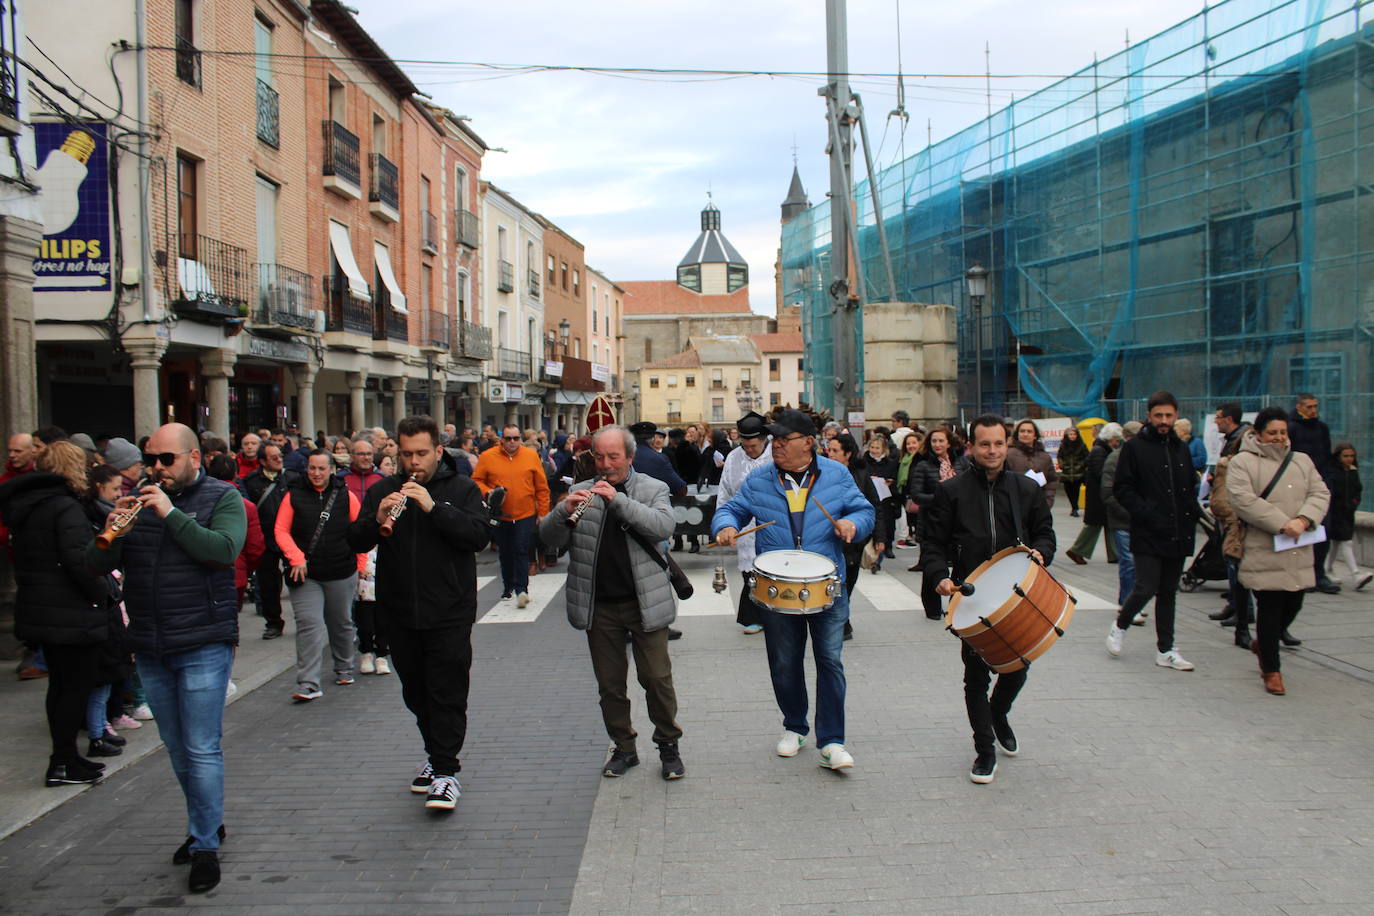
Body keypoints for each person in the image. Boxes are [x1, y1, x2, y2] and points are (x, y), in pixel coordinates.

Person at [85, 423, 246, 894]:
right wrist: (111, 528)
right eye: (150, 459)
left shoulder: (222, 497)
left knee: (201, 747)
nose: (155, 468)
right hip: (152, 644)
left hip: (203, 641)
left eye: (166, 460)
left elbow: (222, 551)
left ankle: (204, 847)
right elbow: (93, 566)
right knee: (177, 750)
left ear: (194, 458)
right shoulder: (137, 502)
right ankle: (205, 825)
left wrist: (172, 513)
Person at [713, 409, 874, 771]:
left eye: (785, 441)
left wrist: (853, 524)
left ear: (808, 443)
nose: (777, 447)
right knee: (784, 662)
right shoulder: (760, 479)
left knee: (830, 661)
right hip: (778, 586)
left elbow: (865, 511)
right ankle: (795, 726)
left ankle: (832, 740)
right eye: (776, 441)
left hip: (827, 584)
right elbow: (732, 509)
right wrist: (724, 525)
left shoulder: (836, 474)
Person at [347, 415, 491, 810]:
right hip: (399, 612)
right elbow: (353, 539)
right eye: (406, 454)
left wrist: (433, 508)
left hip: (448, 611)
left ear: (438, 451)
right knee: (416, 693)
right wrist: (376, 521)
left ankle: (446, 772)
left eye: (422, 454)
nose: (414, 462)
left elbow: (478, 536)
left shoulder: (462, 489)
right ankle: (435, 756)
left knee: (446, 692)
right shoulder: (383, 491)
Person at [538, 425, 686, 781]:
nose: (605, 464)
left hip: (644, 601)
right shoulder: (578, 490)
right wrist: (562, 512)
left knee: (656, 679)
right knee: (610, 685)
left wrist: (617, 500)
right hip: (599, 605)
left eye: (613, 457)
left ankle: (668, 744)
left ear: (630, 457)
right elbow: (547, 541)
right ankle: (624, 747)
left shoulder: (653, 488)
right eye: (599, 457)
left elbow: (663, 527)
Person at [919, 415, 1056, 785]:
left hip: (1019, 594)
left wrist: (1043, 552)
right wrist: (939, 577)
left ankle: (998, 714)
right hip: (973, 595)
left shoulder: (1025, 490)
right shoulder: (952, 491)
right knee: (976, 677)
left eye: (998, 444)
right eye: (984, 444)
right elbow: (931, 543)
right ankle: (984, 749)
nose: (992, 451)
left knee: (1019, 666)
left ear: (1007, 443)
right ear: (972, 447)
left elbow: (1046, 533)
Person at [0, 441, 120, 787]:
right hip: (69, 611)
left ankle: (65, 757)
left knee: (62, 687)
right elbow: (80, 562)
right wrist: (105, 594)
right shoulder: (63, 507)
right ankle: (63, 761)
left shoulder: (31, 505)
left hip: (45, 608)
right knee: (73, 688)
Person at [1225, 408, 1330, 695]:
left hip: (1298, 547)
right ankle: (1272, 670)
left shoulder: (1301, 461)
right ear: (1258, 434)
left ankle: (1265, 643)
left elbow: (1320, 493)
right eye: (1273, 432)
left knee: (1294, 602)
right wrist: (1283, 524)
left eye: (1283, 432)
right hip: (1264, 546)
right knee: (1269, 608)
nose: (1279, 438)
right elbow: (1243, 501)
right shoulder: (1242, 463)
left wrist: (1304, 519)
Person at [1106, 392, 1200, 671]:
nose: (1163, 421)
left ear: (1175, 416)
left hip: (1178, 530)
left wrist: (1195, 515)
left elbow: (1187, 488)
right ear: (1149, 416)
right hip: (1148, 530)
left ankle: (1166, 650)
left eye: (1169, 415)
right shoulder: (1135, 448)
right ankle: (1120, 625)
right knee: (1146, 586)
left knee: (1169, 591)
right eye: (1158, 415)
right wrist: (1146, 513)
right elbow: (1122, 488)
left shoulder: (1180, 447)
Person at [274, 450, 363, 702]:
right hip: (306, 574)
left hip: (341, 570)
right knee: (309, 626)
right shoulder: (293, 495)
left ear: (331, 469)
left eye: (321, 468)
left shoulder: (346, 495)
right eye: (312, 468)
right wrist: (296, 557)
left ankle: (344, 666)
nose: (316, 473)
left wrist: (361, 563)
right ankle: (308, 683)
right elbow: (281, 531)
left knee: (341, 622)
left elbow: (359, 531)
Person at [471, 424, 550, 607]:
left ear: (520, 439)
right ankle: (508, 587)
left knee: (521, 549)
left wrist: (543, 513)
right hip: (500, 514)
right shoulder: (488, 457)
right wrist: (489, 492)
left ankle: (522, 589)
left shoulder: (530, 456)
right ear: (501, 440)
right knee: (505, 552)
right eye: (508, 439)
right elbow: (476, 481)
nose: (512, 442)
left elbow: (542, 487)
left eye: (516, 438)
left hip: (526, 512)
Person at [717, 412, 773, 635]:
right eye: (745, 446)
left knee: (772, 570)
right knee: (750, 573)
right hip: (745, 524)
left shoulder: (776, 454)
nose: (749, 450)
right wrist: (723, 523)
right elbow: (725, 491)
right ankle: (754, 617)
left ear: (764, 440)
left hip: (772, 523)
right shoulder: (733, 457)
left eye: (753, 446)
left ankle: (774, 614)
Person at [826, 434, 885, 640]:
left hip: (854, 540)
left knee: (848, 582)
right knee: (833, 583)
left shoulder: (861, 474)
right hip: (830, 538)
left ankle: (843, 620)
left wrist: (880, 537)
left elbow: (874, 506)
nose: (829, 454)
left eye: (835, 451)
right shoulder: (822, 473)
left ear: (848, 454)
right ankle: (840, 623)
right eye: (829, 450)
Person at [906, 426, 969, 619]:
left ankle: (957, 606)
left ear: (949, 442)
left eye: (941, 441)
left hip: (959, 522)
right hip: (931, 521)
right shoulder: (923, 465)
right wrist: (940, 498)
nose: (937, 444)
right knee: (931, 566)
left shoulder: (961, 463)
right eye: (934, 441)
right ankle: (932, 609)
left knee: (961, 564)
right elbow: (916, 494)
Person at [240, 443, 296, 639]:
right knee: (268, 582)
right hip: (265, 537)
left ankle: (302, 617)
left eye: (280, 456)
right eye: (273, 458)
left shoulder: (292, 478)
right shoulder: (250, 481)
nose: (279, 460)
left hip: (290, 536)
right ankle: (273, 622)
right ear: (262, 461)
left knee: (296, 577)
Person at [1288, 394, 1339, 594]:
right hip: (1299, 486)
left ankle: (1319, 573)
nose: (1313, 410)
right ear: (1299, 407)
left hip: (1321, 483)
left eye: (1315, 406)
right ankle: (1303, 575)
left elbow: (1326, 455)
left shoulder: (1321, 428)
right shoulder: (1292, 428)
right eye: (1309, 406)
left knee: (1323, 530)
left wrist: (1328, 480)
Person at [1210, 402, 1254, 627]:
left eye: (1218, 417)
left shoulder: (1242, 441)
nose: (1215, 421)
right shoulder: (1232, 440)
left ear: (1229, 419)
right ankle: (1235, 605)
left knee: (1235, 559)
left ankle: (1244, 610)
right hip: (1227, 509)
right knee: (1230, 559)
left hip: (1236, 511)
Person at [206, 455, 265, 613]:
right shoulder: (247, 506)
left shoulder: (200, 501)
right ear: (235, 475)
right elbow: (255, 547)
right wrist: (246, 569)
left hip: (203, 572)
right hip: (235, 573)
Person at [1101, 422, 1141, 612]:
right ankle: (1127, 604)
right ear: (1126, 437)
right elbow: (1107, 492)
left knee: (1140, 564)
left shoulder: (1144, 458)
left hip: (1143, 520)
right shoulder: (1114, 459)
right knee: (1129, 562)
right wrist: (1129, 511)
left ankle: (1133, 602)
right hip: (1122, 519)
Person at [1064, 425, 1118, 565]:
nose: (1116, 443)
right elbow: (1101, 473)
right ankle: (1077, 550)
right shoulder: (1100, 451)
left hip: (1099, 495)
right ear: (1110, 438)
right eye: (1115, 439)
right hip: (1098, 496)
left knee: (1106, 524)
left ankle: (1114, 554)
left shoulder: (1101, 449)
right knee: (1094, 525)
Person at [1325, 444, 1370, 590]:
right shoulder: (1332, 472)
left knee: (1337, 543)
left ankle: (1327, 569)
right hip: (1335, 513)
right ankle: (1356, 574)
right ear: (1338, 457)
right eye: (1346, 456)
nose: (1349, 459)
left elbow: (1358, 491)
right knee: (1346, 542)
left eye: (1351, 456)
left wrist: (1354, 503)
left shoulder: (1353, 472)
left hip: (1347, 513)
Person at [862, 432, 898, 568]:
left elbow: (894, 478)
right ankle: (873, 556)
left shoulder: (891, 463)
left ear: (883, 449)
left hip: (885, 498)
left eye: (877, 448)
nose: (874, 451)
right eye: (872, 447)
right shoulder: (864, 461)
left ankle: (884, 549)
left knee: (886, 525)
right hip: (870, 497)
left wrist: (888, 481)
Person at [1005, 419, 1058, 509]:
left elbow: (1052, 480)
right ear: (1017, 434)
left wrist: (1048, 501)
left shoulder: (1045, 457)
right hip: (1014, 505)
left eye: (1029, 431)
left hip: (1039, 505)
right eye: (1022, 431)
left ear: (1035, 436)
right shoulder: (1007, 454)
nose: (1025, 434)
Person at [893, 429, 925, 547]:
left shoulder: (921, 459)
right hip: (906, 497)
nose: (910, 446)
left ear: (920, 444)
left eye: (913, 443)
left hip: (919, 497)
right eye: (908, 443)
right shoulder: (903, 460)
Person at [1057, 426, 1088, 517]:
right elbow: (1060, 456)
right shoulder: (1063, 445)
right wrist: (1062, 465)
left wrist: (1081, 465)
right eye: (1071, 434)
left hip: (1078, 472)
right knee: (1068, 490)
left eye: (1074, 434)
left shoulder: (1081, 445)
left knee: (1076, 490)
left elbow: (1086, 456)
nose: (1072, 436)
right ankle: (1073, 505)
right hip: (1066, 472)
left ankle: (1075, 508)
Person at [340, 438, 383, 502]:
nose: (366, 457)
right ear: (352, 456)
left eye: (369, 454)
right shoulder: (341, 478)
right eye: (361, 454)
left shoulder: (382, 478)